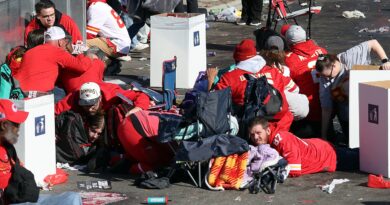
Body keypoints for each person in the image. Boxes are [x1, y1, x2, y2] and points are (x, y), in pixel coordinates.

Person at [209, 39, 293, 132]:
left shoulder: (230, 77)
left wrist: (210, 80)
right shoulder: (273, 71)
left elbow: (212, 103)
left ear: (237, 59)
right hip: (281, 125)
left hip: (252, 130)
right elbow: (294, 89)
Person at [315, 40, 390, 141]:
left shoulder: (349, 57)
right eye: (323, 76)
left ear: (334, 65)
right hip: (347, 115)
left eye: (328, 76)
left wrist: (385, 61)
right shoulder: (324, 79)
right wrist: (323, 136)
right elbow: (326, 109)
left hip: (369, 104)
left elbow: (373, 43)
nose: (327, 79)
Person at [248, 117, 359, 177]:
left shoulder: (281, 140)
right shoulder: (267, 141)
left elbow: (294, 170)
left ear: (267, 130)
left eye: (258, 133)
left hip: (327, 156)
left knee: (365, 160)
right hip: (320, 148)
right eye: (252, 135)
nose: (255, 137)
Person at [15, 26, 97, 92]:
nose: (66, 46)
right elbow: (82, 67)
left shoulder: (30, 52)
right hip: (41, 94)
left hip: (20, 92)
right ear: (60, 42)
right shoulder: (57, 51)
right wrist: (88, 57)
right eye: (65, 42)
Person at [284, 25, 327, 137]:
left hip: (307, 113)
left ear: (290, 43)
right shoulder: (321, 51)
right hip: (327, 106)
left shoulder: (289, 60)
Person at [262, 35, 309, 120]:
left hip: (264, 105)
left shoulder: (259, 67)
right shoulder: (285, 70)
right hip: (281, 107)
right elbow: (295, 89)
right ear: (282, 51)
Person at [55, 82, 149, 117]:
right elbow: (55, 111)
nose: (89, 108)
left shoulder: (113, 94)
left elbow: (140, 95)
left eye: (92, 104)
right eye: (85, 105)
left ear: (100, 98)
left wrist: (138, 108)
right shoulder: (74, 96)